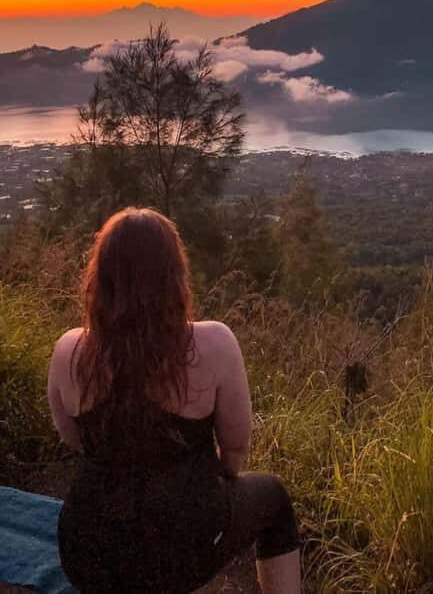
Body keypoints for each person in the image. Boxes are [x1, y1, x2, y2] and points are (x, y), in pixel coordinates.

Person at [47, 207, 301, 594]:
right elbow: (234, 454)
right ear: (174, 276)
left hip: (88, 552)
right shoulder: (215, 343)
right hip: (182, 550)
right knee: (275, 500)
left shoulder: (68, 350)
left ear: (100, 278)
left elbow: (72, 438)